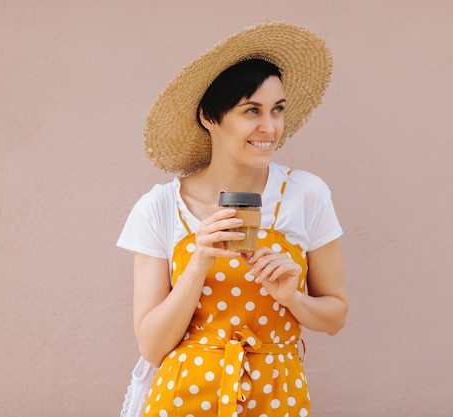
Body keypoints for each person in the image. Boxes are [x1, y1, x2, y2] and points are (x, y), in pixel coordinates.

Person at [117, 22, 349, 417]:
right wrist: (199, 263)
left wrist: (291, 297)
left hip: (278, 399)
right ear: (209, 116)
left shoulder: (306, 195)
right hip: (181, 400)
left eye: (277, 109)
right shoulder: (159, 207)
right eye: (251, 111)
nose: (270, 128)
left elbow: (335, 316)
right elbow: (152, 347)